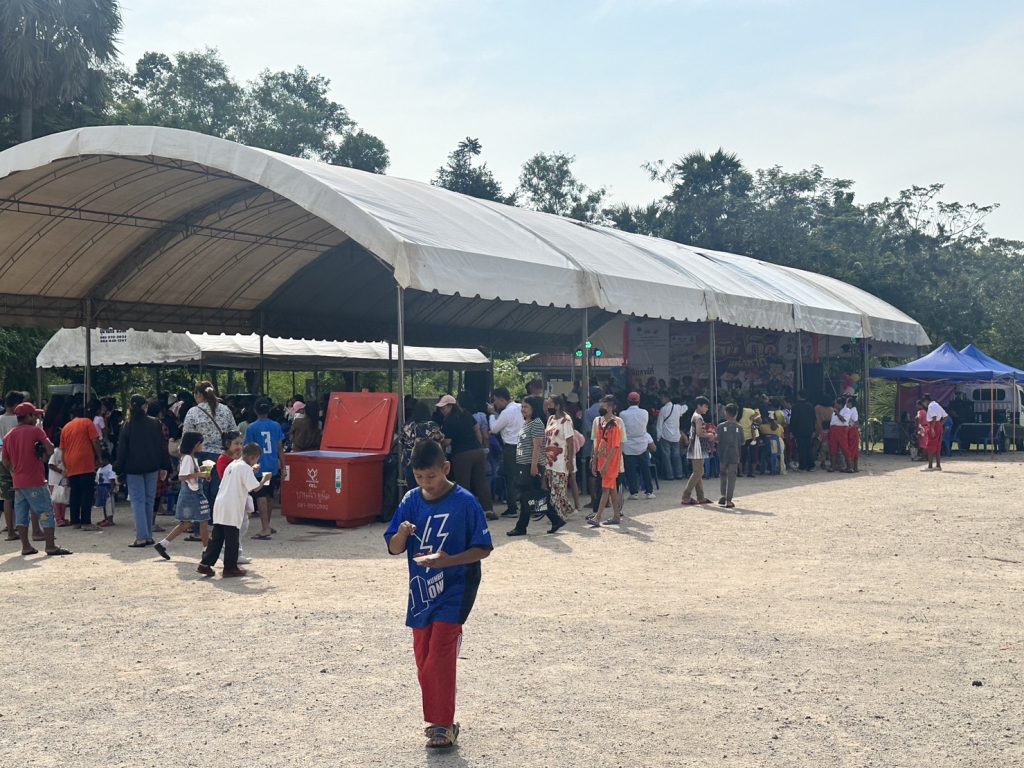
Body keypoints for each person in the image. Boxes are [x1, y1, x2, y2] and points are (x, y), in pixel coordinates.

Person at [383, 439, 493, 750]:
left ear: (445, 468)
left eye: (431, 476)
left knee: (439, 655)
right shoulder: (410, 500)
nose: (426, 483)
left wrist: (450, 561)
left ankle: (443, 725)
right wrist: (401, 533)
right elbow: (394, 547)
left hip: (456, 588)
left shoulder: (465, 502)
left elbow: (483, 548)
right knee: (423, 658)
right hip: (421, 591)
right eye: (419, 477)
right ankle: (438, 719)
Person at [1, 402, 71, 556]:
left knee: (21, 514)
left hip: (18, 482)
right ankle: (50, 545)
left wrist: (13, 472)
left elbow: (5, 460)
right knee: (45, 512)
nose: (36, 418)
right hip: (35, 481)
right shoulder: (35, 431)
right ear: (29, 416)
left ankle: (26, 546)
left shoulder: (9, 436)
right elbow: (50, 449)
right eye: (35, 415)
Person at [199, 442, 268, 578]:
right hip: (232, 505)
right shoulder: (245, 468)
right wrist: (265, 479)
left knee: (217, 537)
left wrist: (251, 470)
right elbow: (255, 488)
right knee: (232, 539)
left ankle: (205, 564)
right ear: (253, 457)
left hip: (221, 503)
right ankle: (230, 568)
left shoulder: (233, 464)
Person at [116, 394, 172, 548]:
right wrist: (165, 466)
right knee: (149, 500)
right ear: (145, 407)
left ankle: (141, 536)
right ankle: (148, 535)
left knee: (138, 501)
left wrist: (118, 469)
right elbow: (162, 446)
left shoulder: (127, 425)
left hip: (133, 468)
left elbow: (122, 449)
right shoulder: (156, 423)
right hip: (152, 466)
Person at [507, 396, 563, 536]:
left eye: (526, 407)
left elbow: (537, 446)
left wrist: (534, 466)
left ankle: (521, 527)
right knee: (532, 496)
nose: (523, 409)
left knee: (527, 495)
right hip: (524, 464)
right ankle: (555, 519)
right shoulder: (527, 422)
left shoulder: (537, 423)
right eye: (522, 406)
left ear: (534, 408)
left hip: (531, 465)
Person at [436, 394, 494, 520]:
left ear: (451, 406)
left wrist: (439, 442)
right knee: (481, 482)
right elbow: (477, 428)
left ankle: (465, 512)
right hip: (478, 451)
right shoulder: (466, 414)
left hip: (462, 454)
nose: (442, 410)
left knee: (463, 484)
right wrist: (479, 444)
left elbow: (448, 441)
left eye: (443, 408)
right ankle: (488, 509)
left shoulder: (449, 421)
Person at [154, 432, 211, 559]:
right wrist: (199, 474)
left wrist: (201, 474)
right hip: (192, 494)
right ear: (196, 444)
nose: (203, 446)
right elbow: (182, 476)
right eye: (201, 443)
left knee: (188, 522)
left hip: (193, 493)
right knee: (203, 520)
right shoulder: (188, 458)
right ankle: (206, 549)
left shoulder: (191, 458)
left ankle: (163, 544)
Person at [245, 400, 285, 540]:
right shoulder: (276, 426)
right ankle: (267, 524)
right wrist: (283, 466)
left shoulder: (251, 427)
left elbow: (249, 448)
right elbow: (280, 447)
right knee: (269, 495)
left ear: (255, 411)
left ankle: (265, 528)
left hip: (259, 466)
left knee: (261, 495)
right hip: (272, 465)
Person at [61, 401, 103, 531]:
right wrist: (99, 457)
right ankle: (86, 522)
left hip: (71, 462)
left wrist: (65, 466)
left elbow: (63, 450)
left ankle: (75, 521)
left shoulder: (66, 427)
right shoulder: (87, 422)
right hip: (85, 461)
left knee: (75, 493)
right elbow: (95, 440)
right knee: (87, 492)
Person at [487, 388, 524, 519]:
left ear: (501, 399)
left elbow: (494, 429)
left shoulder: (506, 412)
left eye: (495, 400)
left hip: (511, 447)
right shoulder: (520, 407)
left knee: (510, 478)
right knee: (523, 476)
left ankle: (512, 507)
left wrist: (492, 414)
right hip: (524, 445)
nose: (495, 404)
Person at [589, 395, 625, 527]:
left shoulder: (614, 426)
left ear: (610, 408)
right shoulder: (601, 423)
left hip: (609, 463)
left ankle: (597, 517)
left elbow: (615, 447)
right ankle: (616, 515)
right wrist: (596, 460)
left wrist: (605, 464)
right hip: (604, 461)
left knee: (605, 489)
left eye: (603, 406)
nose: (601, 409)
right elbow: (597, 443)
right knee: (612, 489)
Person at [543, 395, 576, 522]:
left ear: (557, 405)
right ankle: (568, 509)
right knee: (555, 488)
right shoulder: (550, 419)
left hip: (561, 459)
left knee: (557, 489)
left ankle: (557, 515)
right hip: (549, 460)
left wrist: (570, 460)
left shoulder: (566, 420)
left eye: (550, 404)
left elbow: (570, 442)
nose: (547, 407)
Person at [401, 401, 445, 490]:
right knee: (427, 486)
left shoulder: (408, 425)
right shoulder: (431, 425)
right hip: (428, 458)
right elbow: (440, 438)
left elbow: (402, 441)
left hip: (409, 459)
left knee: (412, 487)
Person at [620, 391, 655, 500]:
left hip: (628, 445)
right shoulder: (645, 413)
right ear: (639, 401)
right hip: (642, 444)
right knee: (645, 469)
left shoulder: (623, 414)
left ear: (628, 401)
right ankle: (649, 491)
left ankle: (634, 493)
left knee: (631, 471)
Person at [0, 390, 25, 540]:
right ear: (16, 404)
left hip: (2, 459)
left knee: (7, 497)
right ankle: (27, 527)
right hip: (19, 459)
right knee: (24, 494)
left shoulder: (0, 419)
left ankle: (10, 530)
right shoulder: (20, 420)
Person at [681, 397, 713, 506]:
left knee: (698, 471)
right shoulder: (698, 417)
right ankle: (686, 496)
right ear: (699, 405)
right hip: (697, 447)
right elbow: (699, 433)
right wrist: (709, 434)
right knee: (698, 472)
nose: (707, 409)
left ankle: (700, 497)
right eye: (705, 406)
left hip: (696, 446)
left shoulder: (695, 416)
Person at [716, 404, 743, 508]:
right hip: (734, 454)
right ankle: (729, 500)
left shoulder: (720, 426)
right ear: (736, 414)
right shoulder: (739, 427)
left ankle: (723, 495)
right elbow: (742, 441)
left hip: (723, 454)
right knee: (731, 477)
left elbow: (717, 439)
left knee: (723, 475)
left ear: (725, 413)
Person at [655, 391, 685, 481]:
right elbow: (685, 407)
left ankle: (669, 475)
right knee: (676, 455)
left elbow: (659, 424)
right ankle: (679, 474)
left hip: (665, 436)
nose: (661, 399)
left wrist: (658, 437)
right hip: (676, 436)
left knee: (666, 457)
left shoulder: (663, 409)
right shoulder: (678, 408)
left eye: (662, 398)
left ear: (666, 398)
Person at [790, 390, 817, 472]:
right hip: (809, 429)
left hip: (799, 430)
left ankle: (803, 466)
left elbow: (793, 420)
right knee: (808, 447)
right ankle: (811, 465)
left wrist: (792, 430)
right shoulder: (810, 406)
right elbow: (814, 419)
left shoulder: (795, 406)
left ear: (798, 396)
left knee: (801, 448)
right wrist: (813, 430)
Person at [923, 393, 948, 471]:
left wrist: (932, 428)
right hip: (938, 425)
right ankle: (938, 465)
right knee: (937, 447)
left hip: (932, 425)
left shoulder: (930, 406)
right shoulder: (937, 405)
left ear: (926, 401)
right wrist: (940, 424)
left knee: (930, 445)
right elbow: (946, 416)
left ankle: (930, 466)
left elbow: (934, 417)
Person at [93, 451, 118, 527]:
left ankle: (110, 520)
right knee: (103, 505)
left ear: (105, 459)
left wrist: (111, 489)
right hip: (101, 488)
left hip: (107, 488)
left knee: (109, 505)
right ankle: (106, 518)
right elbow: (97, 480)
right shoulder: (99, 469)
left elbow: (112, 479)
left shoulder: (110, 468)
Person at [828, 398, 852, 473]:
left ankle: (849, 467)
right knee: (833, 448)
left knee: (844, 448)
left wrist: (838, 413)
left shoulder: (847, 410)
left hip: (841, 430)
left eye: (836, 403)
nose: (834, 405)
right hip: (833, 430)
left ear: (840, 404)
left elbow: (844, 420)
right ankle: (833, 466)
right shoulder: (834, 411)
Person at [842, 396, 860, 472]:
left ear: (850, 403)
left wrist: (849, 427)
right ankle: (855, 467)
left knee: (851, 448)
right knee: (855, 449)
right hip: (853, 431)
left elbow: (856, 422)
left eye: (847, 403)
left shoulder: (852, 411)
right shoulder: (853, 410)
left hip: (852, 431)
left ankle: (850, 467)